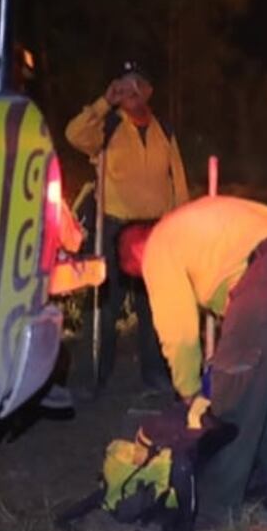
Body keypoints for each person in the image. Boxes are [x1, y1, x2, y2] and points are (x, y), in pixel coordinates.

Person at [117, 196, 267, 517]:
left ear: (134, 252)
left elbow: (177, 332)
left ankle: (215, 502)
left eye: (137, 275)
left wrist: (190, 391)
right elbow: (238, 304)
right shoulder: (199, 226)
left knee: (234, 390)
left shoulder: (158, 245)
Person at [65, 60, 189, 393]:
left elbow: (177, 177)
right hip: (115, 228)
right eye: (125, 85)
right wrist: (105, 102)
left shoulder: (164, 128)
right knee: (104, 304)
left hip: (156, 229)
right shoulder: (105, 127)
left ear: (148, 90)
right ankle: (92, 375)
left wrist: (181, 221)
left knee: (155, 305)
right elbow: (73, 134)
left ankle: (155, 373)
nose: (131, 92)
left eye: (137, 85)